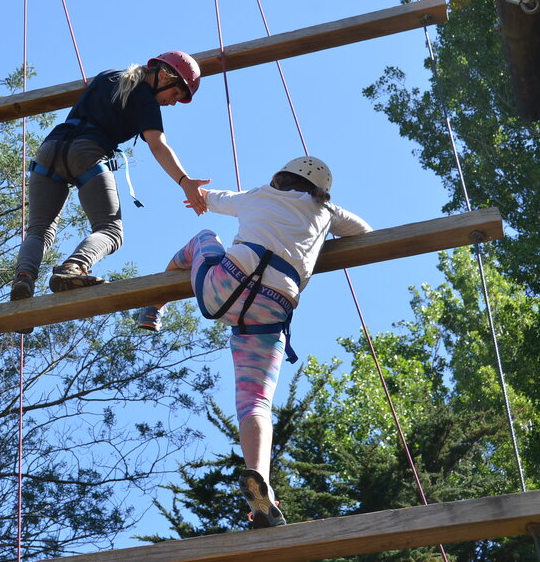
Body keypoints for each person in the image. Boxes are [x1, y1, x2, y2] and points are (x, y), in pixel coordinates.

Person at [133, 156, 372, 529]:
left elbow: (210, 199)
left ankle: (152, 307)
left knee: (204, 239)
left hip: (224, 286)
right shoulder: (325, 211)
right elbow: (363, 230)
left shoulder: (258, 195)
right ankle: (262, 487)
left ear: (280, 178)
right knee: (255, 402)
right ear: (320, 192)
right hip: (272, 307)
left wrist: (195, 191)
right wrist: (321, 224)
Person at [10, 51, 211, 305]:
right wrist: (185, 181)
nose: (172, 103)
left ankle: (23, 279)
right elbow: (158, 145)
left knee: (39, 230)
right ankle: (72, 268)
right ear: (163, 75)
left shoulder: (108, 77)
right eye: (175, 94)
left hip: (49, 150)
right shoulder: (144, 98)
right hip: (86, 152)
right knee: (110, 231)